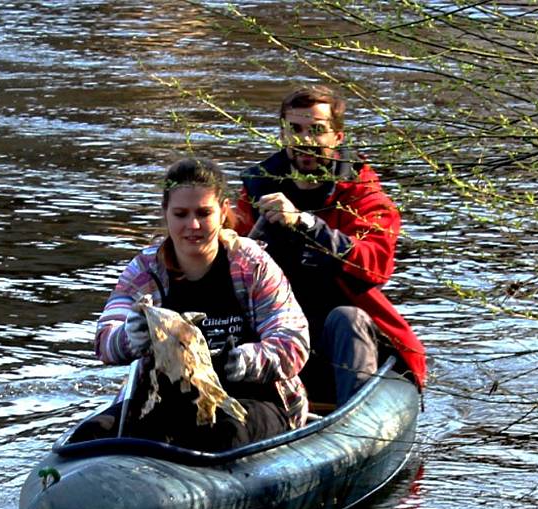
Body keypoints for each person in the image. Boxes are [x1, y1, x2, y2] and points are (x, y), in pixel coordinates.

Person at [73, 157, 310, 451]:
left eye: (204, 213)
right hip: (167, 399)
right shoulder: (145, 270)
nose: (192, 225)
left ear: (223, 212)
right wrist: (130, 336)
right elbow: (104, 341)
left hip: (253, 399)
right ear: (166, 214)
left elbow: (294, 342)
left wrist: (240, 361)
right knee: (90, 435)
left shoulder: (253, 264)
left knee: (223, 432)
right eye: (181, 214)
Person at [235, 85, 426, 405]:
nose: (305, 141)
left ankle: (355, 422)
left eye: (317, 130)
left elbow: (375, 265)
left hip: (344, 334)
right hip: (279, 326)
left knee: (346, 319)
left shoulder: (364, 195)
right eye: (295, 129)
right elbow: (229, 251)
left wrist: (306, 224)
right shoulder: (257, 190)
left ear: (337, 137)